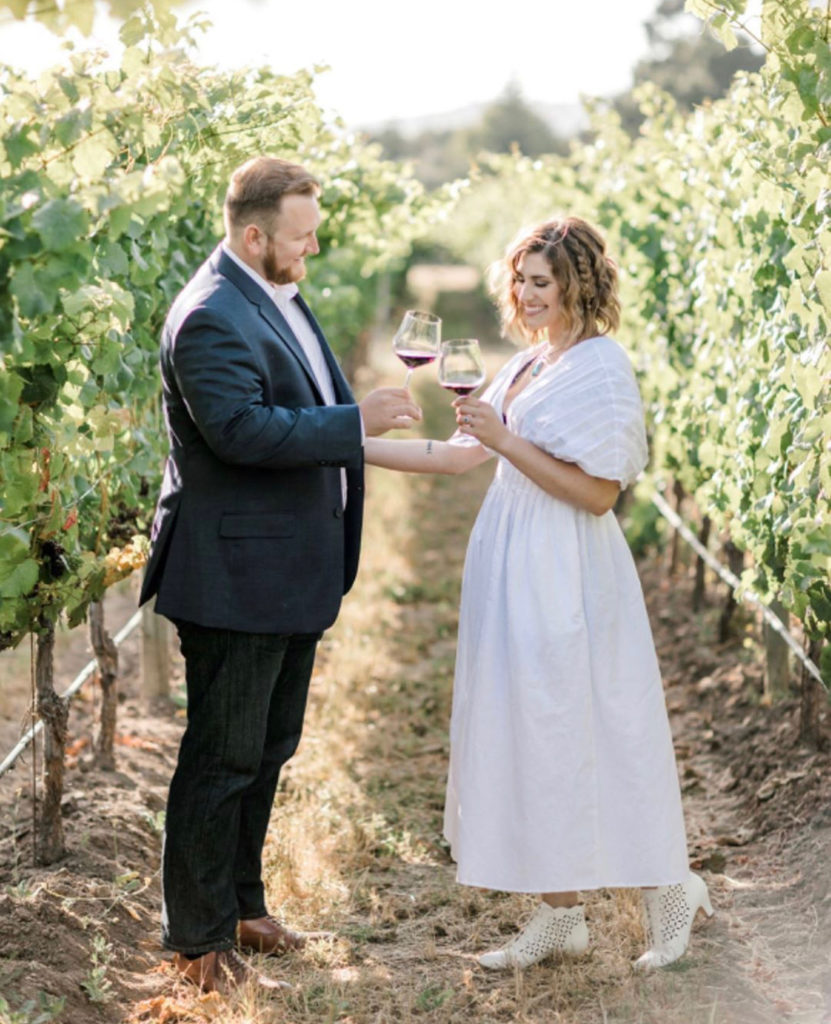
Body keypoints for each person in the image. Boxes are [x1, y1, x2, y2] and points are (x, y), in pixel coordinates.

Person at [365, 216, 712, 970]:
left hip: (569, 570)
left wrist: (503, 442)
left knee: (594, 725)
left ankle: (669, 889)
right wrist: (344, 446)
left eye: (541, 282)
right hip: (512, 562)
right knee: (531, 728)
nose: (524, 294)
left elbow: (595, 496)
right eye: (519, 280)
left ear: (577, 285)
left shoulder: (600, 367)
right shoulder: (526, 364)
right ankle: (559, 917)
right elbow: (460, 458)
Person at [139, 155, 420, 994]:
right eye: (301, 234)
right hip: (234, 575)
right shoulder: (210, 316)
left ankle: (242, 904)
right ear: (254, 234)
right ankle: (195, 943)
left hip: (284, 569)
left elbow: (291, 411)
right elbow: (241, 433)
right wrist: (351, 420)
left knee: (266, 750)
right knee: (220, 760)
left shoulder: (271, 296)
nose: (315, 245)